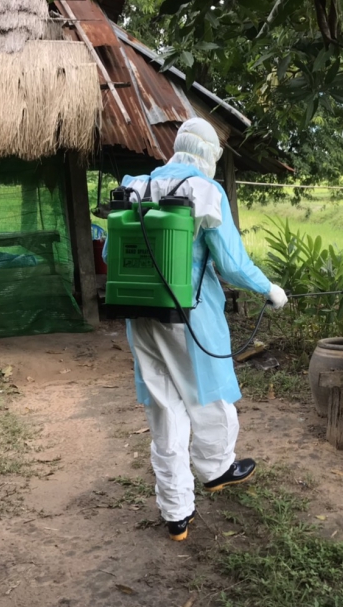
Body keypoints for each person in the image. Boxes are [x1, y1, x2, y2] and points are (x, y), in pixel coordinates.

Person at [111, 118, 288, 541]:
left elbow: (112, 252)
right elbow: (231, 262)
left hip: (140, 311)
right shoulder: (204, 190)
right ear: (209, 154)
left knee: (164, 409)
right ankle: (217, 468)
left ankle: (176, 513)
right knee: (208, 393)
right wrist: (269, 289)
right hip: (189, 316)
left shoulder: (136, 187)